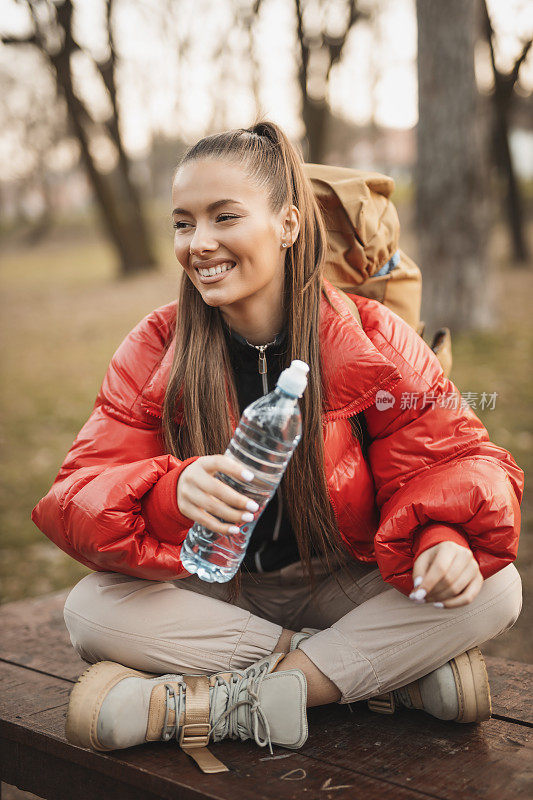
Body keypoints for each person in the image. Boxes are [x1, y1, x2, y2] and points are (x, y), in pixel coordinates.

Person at [31, 120, 523, 774]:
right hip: (219, 588)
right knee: (89, 611)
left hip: (342, 578)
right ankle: (377, 676)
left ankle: (226, 701)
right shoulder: (155, 347)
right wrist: (165, 492)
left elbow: (452, 459)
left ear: (288, 224)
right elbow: (75, 497)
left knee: (497, 589)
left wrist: (442, 541)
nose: (199, 243)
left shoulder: (373, 337)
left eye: (223, 216)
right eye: (183, 223)